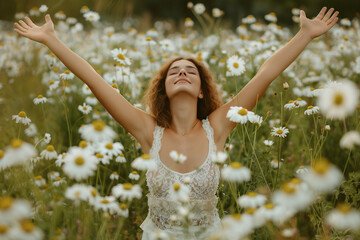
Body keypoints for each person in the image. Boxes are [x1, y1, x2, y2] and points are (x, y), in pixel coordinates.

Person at [14, 6, 339, 239]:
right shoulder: (146, 130)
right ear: (163, 89)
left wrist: (306, 34)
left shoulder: (219, 125)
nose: (182, 72)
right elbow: (95, 81)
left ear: (201, 91)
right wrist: (52, 40)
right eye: (174, 71)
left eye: (190, 71)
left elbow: (265, 74)